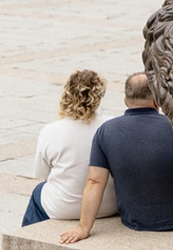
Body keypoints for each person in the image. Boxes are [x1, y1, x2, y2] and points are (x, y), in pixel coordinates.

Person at [59, 73, 173, 243]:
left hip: (133, 219)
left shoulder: (106, 131)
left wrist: (83, 228)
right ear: (157, 99)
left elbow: (95, 182)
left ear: (125, 100)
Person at [23, 70, 118, 226]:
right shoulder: (113, 125)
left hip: (62, 207)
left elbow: (41, 173)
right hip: (108, 205)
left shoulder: (50, 130)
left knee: (38, 191)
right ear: (98, 99)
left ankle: (26, 241)